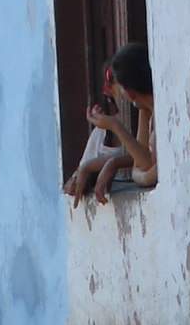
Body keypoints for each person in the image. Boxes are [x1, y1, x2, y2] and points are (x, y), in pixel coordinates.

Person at [65, 43, 158, 205]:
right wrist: (109, 163)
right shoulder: (145, 111)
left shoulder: (159, 116)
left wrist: (116, 126)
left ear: (129, 92)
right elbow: (142, 162)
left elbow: (145, 166)